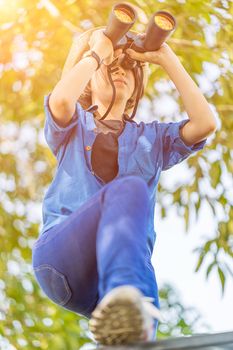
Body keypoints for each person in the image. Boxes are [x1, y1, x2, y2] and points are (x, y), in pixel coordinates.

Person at [31, 22, 217, 346]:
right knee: (129, 188)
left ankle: (128, 319)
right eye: (111, 68)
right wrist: (93, 54)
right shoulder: (75, 124)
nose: (120, 73)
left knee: (142, 316)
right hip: (63, 257)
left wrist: (165, 56)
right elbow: (61, 100)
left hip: (120, 276)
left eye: (128, 70)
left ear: (136, 87)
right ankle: (126, 298)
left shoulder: (154, 138)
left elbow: (205, 123)